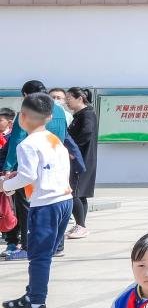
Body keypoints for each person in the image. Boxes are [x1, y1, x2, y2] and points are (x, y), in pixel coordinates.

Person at [2, 93, 73, 308]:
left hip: (46, 205)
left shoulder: (27, 144)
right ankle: (32, 294)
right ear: (50, 117)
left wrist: (5, 185)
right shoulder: (53, 139)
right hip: (64, 200)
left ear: (22, 117)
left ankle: (36, 304)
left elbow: (28, 176)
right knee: (44, 254)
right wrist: (16, 178)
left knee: (39, 256)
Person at [3, 81, 71, 261]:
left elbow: (17, 139)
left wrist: (8, 168)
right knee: (57, 213)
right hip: (56, 167)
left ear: (26, 95)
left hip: (32, 167)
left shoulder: (27, 113)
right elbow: (64, 135)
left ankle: (27, 247)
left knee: (26, 209)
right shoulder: (59, 111)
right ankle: (57, 246)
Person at [62, 87, 97, 240]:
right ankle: (80, 225)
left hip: (80, 159)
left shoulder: (87, 114)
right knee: (80, 194)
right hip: (82, 159)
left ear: (80, 98)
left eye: (69, 98)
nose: (66, 102)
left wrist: (72, 150)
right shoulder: (81, 114)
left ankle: (81, 226)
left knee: (74, 192)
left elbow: (86, 133)